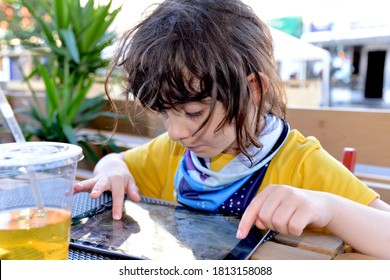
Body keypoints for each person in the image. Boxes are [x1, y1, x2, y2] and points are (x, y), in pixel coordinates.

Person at [74, 0, 390, 259]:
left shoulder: (302, 163)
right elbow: (119, 165)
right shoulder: (173, 152)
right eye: (164, 114)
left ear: (252, 90)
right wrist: (111, 167)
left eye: (194, 112)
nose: (175, 132)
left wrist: (330, 208)